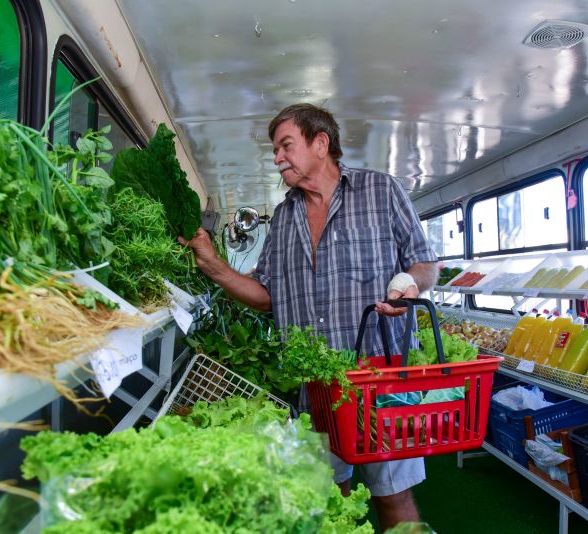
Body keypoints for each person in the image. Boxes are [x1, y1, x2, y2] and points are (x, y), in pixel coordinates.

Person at [179, 103, 438, 530]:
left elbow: (425, 264)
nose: (277, 157)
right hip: (315, 389)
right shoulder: (283, 218)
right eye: (275, 149)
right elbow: (264, 296)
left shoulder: (381, 192)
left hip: (379, 378)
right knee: (327, 498)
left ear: (321, 144)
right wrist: (213, 265)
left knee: (393, 495)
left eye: (285, 145)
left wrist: (409, 282)